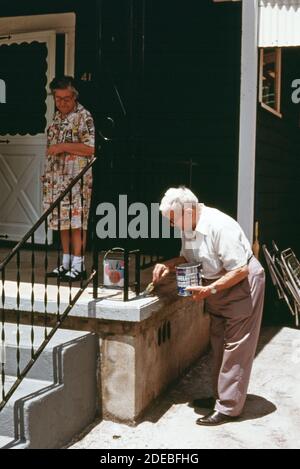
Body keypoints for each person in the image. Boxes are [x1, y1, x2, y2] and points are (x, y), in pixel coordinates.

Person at [152, 187, 265, 426]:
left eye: (173, 219)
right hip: (216, 286)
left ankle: (229, 407)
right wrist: (168, 265)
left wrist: (209, 290)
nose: (172, 225)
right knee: (218, 342)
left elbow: (239, 270)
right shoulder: (188, 225)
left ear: (189, 210)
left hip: (239, 284)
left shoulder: (219, 225)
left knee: (236, 347)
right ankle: (221, 396)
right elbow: (189, 257)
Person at [42, 76, 95, 281]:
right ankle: (65, 263)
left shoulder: (84, 116)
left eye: (66, 98)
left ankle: (78, 264)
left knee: (76, 222)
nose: (62, 102)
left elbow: (90, 148)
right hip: (57, 178)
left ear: (74, 97)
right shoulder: (57, 117)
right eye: (58, 98)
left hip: (77, 179)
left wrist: (62, 147)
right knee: (62, 221)